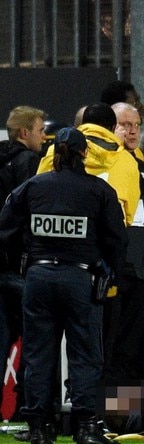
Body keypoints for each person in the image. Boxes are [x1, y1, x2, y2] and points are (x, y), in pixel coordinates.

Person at [0, 127, 127, 444]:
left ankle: (40, 427)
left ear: (53, 153)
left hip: (39, 278)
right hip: (80, 278)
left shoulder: (33, 186)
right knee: (85, 353)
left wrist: (23, 263)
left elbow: (6, 228)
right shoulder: (98, 190)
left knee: (38, 353)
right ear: (85, 153)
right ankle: (86, 426)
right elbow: (117, 239)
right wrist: (109, 273)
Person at [103, 103, 144, 383]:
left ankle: (124, 415)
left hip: (141, 272)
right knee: (108, 342)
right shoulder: (102, 163)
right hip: (113, 270)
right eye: (124, 124)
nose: (131, 131)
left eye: (136, 125)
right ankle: (98, 412)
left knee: (131, 346)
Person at [0, 105, 47, 421]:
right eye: (41, 130)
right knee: (37, 341)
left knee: (2, 341)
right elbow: (31, 215)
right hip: (20, 267)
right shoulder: (30, 162)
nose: (45, 138)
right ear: (24, 132)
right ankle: (26, 412)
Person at [38, 102, 141, 227]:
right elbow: (130, 215)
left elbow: (39, 190)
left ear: (83, 124)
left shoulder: (56, 150)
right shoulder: (127, 161)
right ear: (113, 128)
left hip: (60, 230)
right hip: (104, 236)